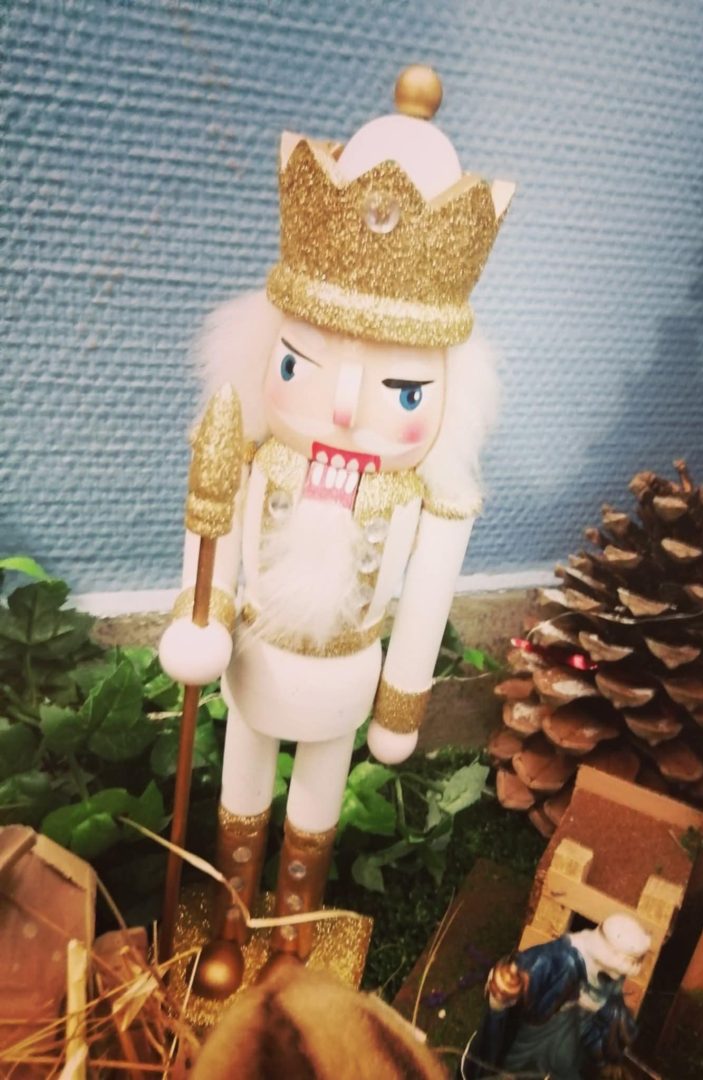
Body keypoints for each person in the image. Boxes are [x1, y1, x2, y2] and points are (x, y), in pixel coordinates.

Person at [158, 65, 515, 983]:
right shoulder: (254, 456)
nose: (347, 409)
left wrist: (402, 703)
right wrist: (203, 616)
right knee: (242, 782)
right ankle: (230, 921)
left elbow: (425, 598)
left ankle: (294, 928)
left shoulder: (420, 497)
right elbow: (212, 531)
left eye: (403, 389)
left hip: (349, 671)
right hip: (255, 657)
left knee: (318, 794)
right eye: (302, 366)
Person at [462, 914, 651, 1080]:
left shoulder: (609, 981)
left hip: (565, 1035)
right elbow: (518, 980)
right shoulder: (558, 961)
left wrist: (610, 1049)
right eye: (614, 972)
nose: (617, 978)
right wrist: (505, 992)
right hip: (532, 1035)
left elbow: (606, 1013)